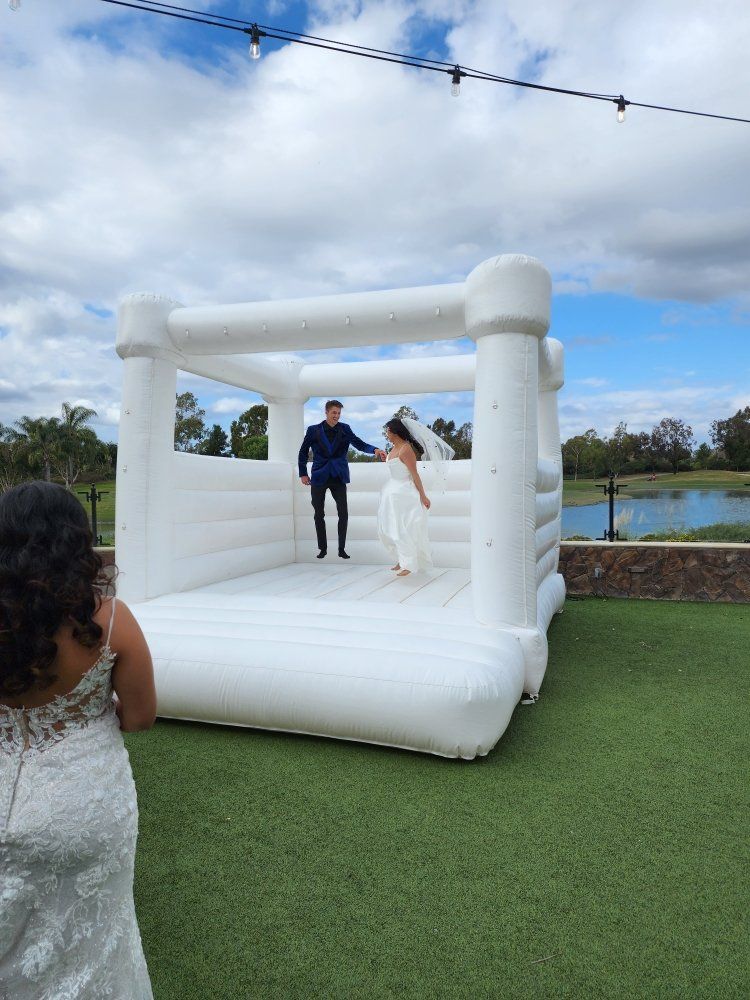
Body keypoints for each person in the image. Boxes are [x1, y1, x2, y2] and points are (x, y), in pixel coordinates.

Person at [0, 481, 156, 998]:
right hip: (82, 805)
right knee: (94, 944)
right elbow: (139, 717)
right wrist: (89, 708)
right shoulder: (110, 621)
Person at [298, 400, 386, 559]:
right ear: (326, 412)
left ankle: (341, 549)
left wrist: (375, 449)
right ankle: (322, 548)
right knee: (319, 514)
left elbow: (359, 444)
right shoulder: (313, 430)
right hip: (319, 476)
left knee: (343, 513)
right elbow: (303, 452)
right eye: (334, 413)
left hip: (339, 476)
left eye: (338, 413)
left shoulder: (345, 429)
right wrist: (303, 473)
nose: (336, 416)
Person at [377, 417, 454, 577]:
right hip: (391, 492)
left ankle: (408, 564)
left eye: (388, 431)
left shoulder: (406, 449)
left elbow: (414, 475)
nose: (387, 434)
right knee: (389, 527)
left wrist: (423, 496)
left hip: (405, 493)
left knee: (404, 528)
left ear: (394, 432)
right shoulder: (393, 449)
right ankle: (401, 559)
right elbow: (394, 467)